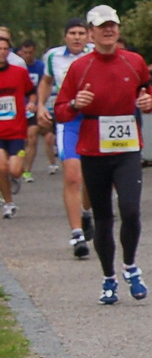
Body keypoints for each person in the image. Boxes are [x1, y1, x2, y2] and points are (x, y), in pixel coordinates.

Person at [53, 5, 152, 304]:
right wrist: (75, 103)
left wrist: (147, 102)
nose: (109, 30)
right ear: (91, 33)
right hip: (93, 149)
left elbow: (146, 92)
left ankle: (131, 266)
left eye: (113, 25)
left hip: (127, 149)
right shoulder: (80, 67)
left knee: (131, 209)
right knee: (103, 218)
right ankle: (109, 277)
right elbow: (59, 111)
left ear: (118, 29)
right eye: (102, 27)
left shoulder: (134, 62)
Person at [37, 18, 95, 257]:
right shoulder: (53, 57)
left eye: (82, 33)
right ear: (65, 37)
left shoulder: (96, 53)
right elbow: (47, 81)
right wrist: (40, 105)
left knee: (92, 178)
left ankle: (85, 211)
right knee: (72, 176)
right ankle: (77, 234)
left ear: (89, 35)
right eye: (72, 33)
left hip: (94, 120)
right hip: (69, 119)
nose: (77, 37)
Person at [0, 29, 35, 218]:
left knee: (14, 169)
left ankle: (17, 177)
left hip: (16, 130)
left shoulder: (19, 72)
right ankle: (9, 203)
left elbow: (32, 91)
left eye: (5, 49)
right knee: (0, 167)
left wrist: (32, 102)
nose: (2, 52)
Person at [18, 38, 44, 183]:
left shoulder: (41, 67)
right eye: (25, 52)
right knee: (20, 142)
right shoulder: (16, 67)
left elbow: (43, 87)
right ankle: (17, 165)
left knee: (32, 137)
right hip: (15, 110)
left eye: (30, 52)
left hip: (32, 108)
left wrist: (38, 104)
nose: (28, 55)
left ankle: (27, 170)